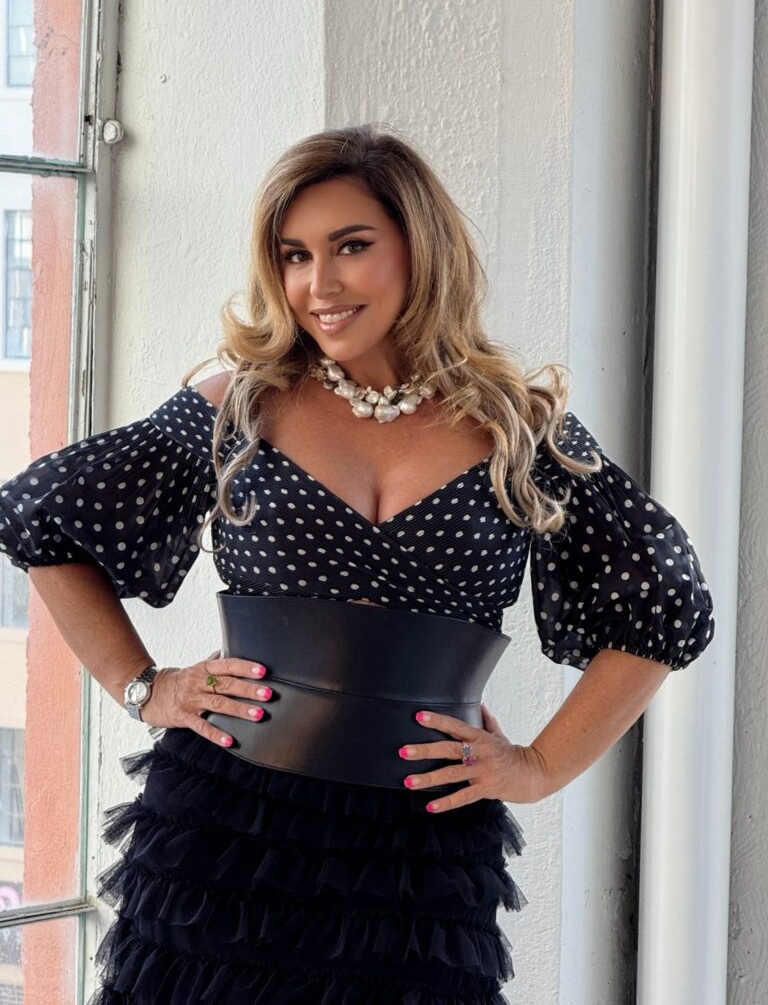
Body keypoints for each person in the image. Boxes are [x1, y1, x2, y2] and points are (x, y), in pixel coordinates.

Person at [0, 123, 715, 1004]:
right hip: (225, 834)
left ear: (421, 246)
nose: (318, 285)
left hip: (420, 855)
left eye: (351, 247)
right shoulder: (240, 408)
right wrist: (146, 686)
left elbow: (664, 608)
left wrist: (538, 766)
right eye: (294, 256)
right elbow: (44, 524)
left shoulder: (520, 432)